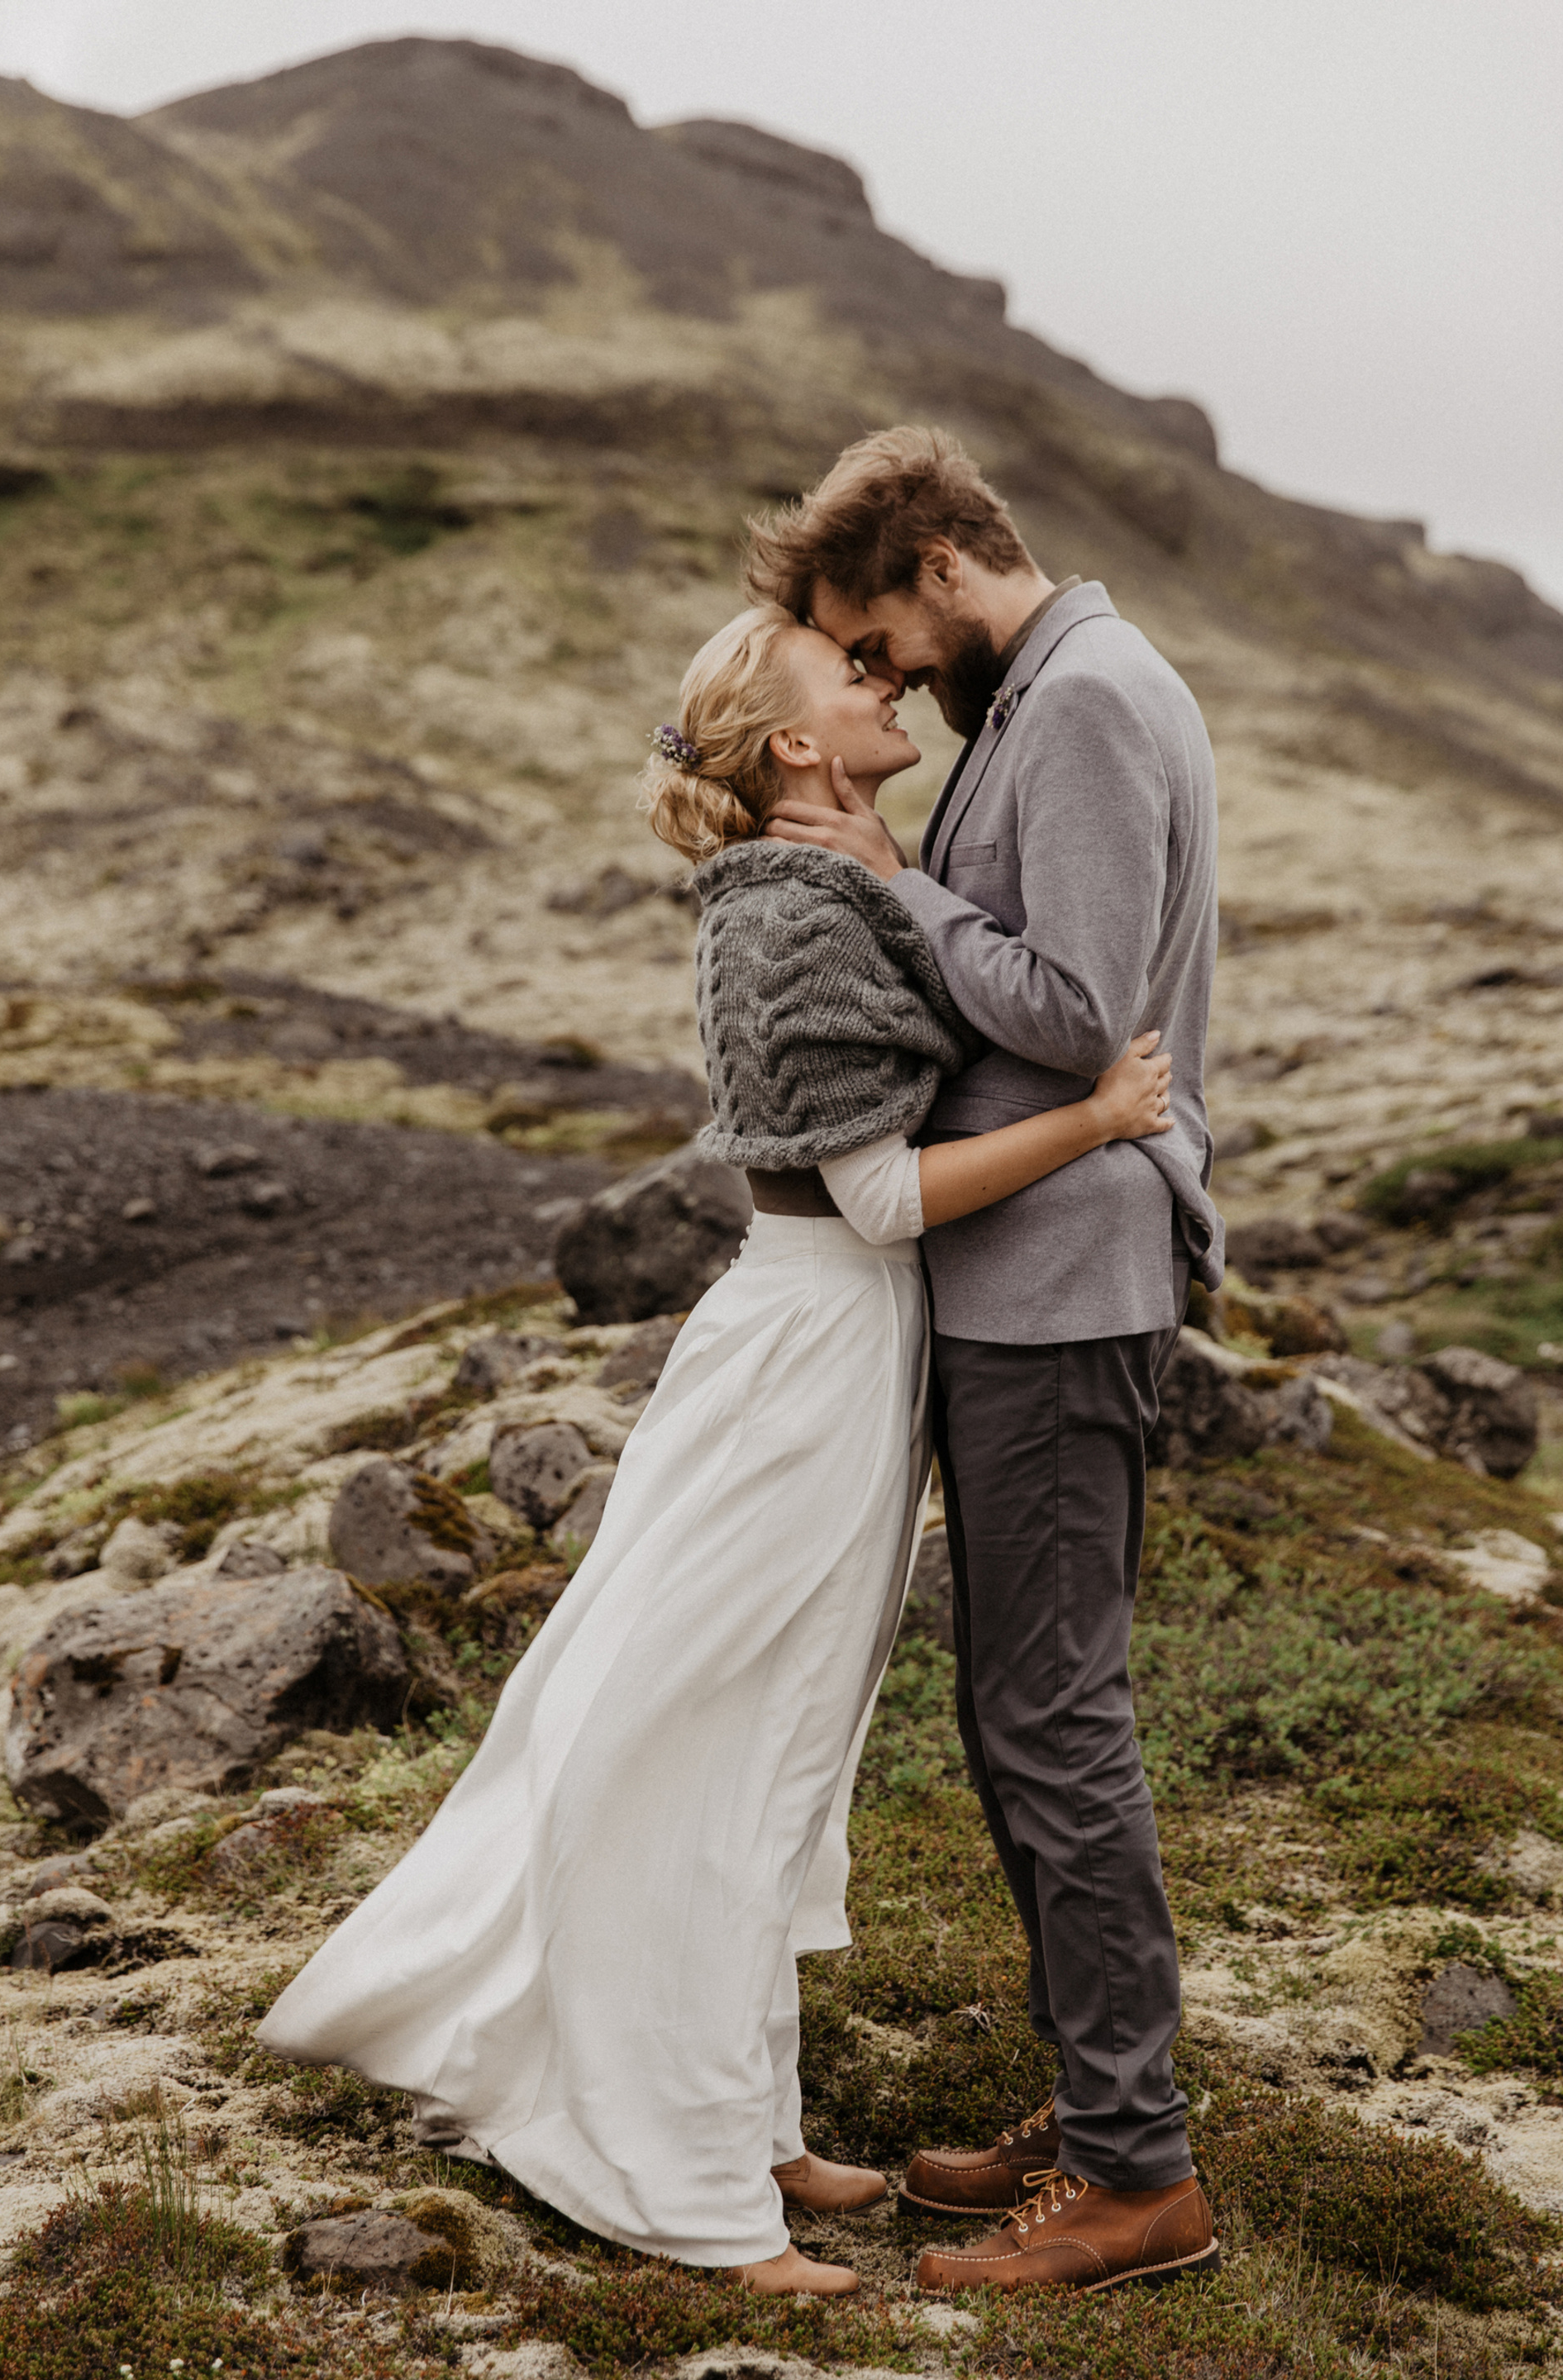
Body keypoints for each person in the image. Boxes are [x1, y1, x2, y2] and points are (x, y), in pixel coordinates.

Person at [257, 599, 1175, 2299]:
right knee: (710, 1739)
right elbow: (881, 1194)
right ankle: (683, 2183)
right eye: (853, 669)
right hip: (808, 1356)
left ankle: (743, 2118)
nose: (887, 672)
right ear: (799, 747)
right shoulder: (779, 920)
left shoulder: (830, 877)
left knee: (783, 1756)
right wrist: (1097, 1121)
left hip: (845, 1352)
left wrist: (901, 869)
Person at [750, 426, 1225, 2296]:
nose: (876, 682)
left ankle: (1136, 2176)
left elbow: (1080, 1006)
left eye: (874, 641)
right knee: (1023, 1718)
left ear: (946, 562)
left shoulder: (1093, 698)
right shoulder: (1051, 695)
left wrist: (883, 876)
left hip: (1061, 1288)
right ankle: (1098, 2105)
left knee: (1053, 1724)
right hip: (1027, 1283)